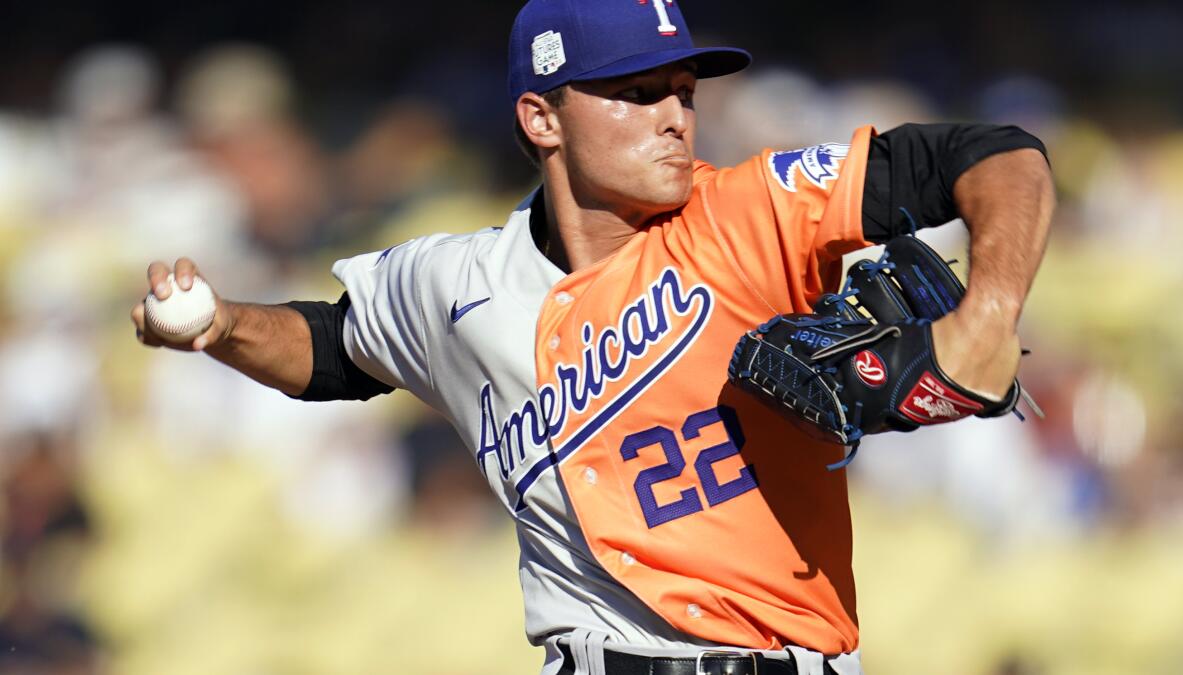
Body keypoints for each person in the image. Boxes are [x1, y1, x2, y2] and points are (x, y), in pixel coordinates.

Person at [131, 1, 1054, 673]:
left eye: (683, 89)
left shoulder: (752, 209)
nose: (675, 115)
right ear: (541, 118)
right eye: (635, 91)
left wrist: (992, 309)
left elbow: (992, 153)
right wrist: (221, 326)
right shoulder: (454, 284)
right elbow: (334, 349)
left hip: (789, 658)